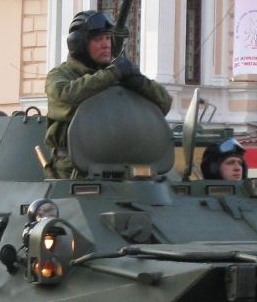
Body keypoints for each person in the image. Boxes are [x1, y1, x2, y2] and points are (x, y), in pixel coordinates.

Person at [44, 10, 173, 178]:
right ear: (79, 44)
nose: (106, 44)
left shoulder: (120, 74)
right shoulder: (60, 75)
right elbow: (66, 97)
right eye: (98, 39)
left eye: (107, 38)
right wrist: (111, 75)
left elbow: (164, 102)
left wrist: (140, 82)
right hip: (76, 170)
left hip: (125, 168)